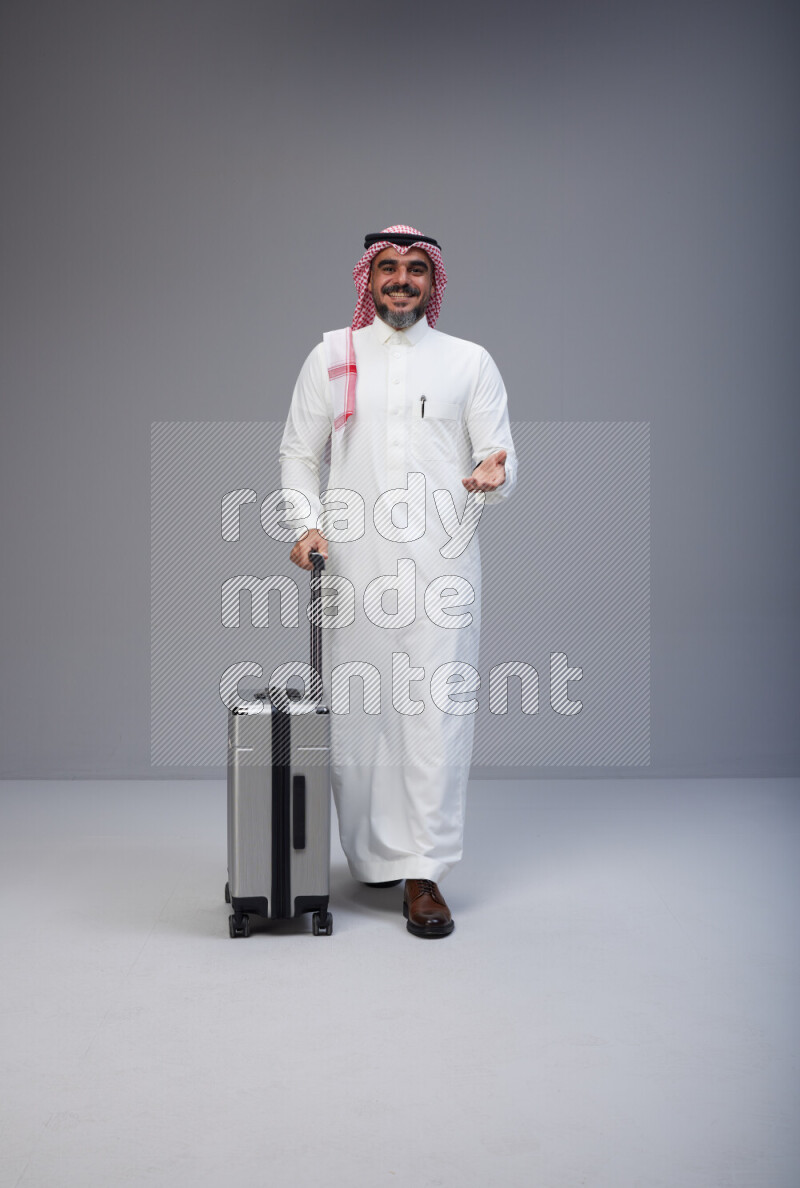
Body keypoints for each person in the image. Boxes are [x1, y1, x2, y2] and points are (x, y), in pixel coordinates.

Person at [279, 225, 516, 938]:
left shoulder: (469, 363)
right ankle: (377, 855)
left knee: (434, 716)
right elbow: (298, 452)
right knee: (359, 721)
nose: (403, 280)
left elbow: (499, 451)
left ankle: (425, 873)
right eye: (389, 268)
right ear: (368, 279)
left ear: (434, 281)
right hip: (353, 566)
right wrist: (306, 523)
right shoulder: (333, 355)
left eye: (416, 270)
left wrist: (493, 473)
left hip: (442, 567)